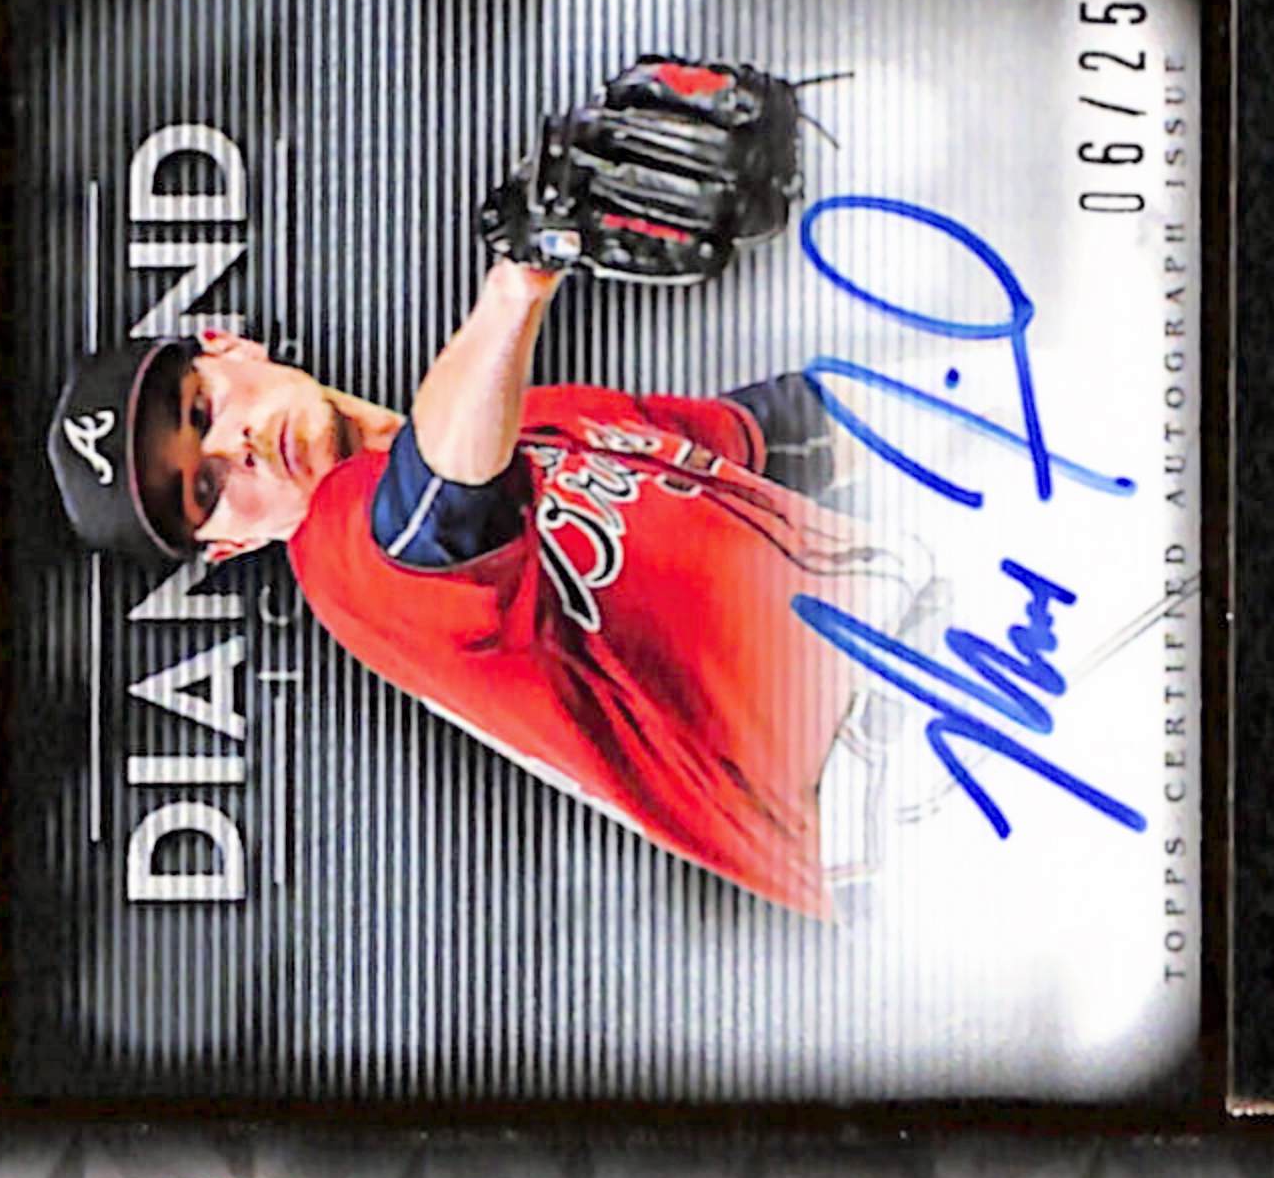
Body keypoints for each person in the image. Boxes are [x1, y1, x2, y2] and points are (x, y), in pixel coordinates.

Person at [49, 257, 877, 918]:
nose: (238, 447)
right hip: (875, 781)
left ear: (231, 346)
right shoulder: (346, 567)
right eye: (206, 488)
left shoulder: (541, 419)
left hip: (907, 634)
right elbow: (437, 504)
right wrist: (519, 282)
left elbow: (778, 434)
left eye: (201, 409)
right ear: (229, 545)